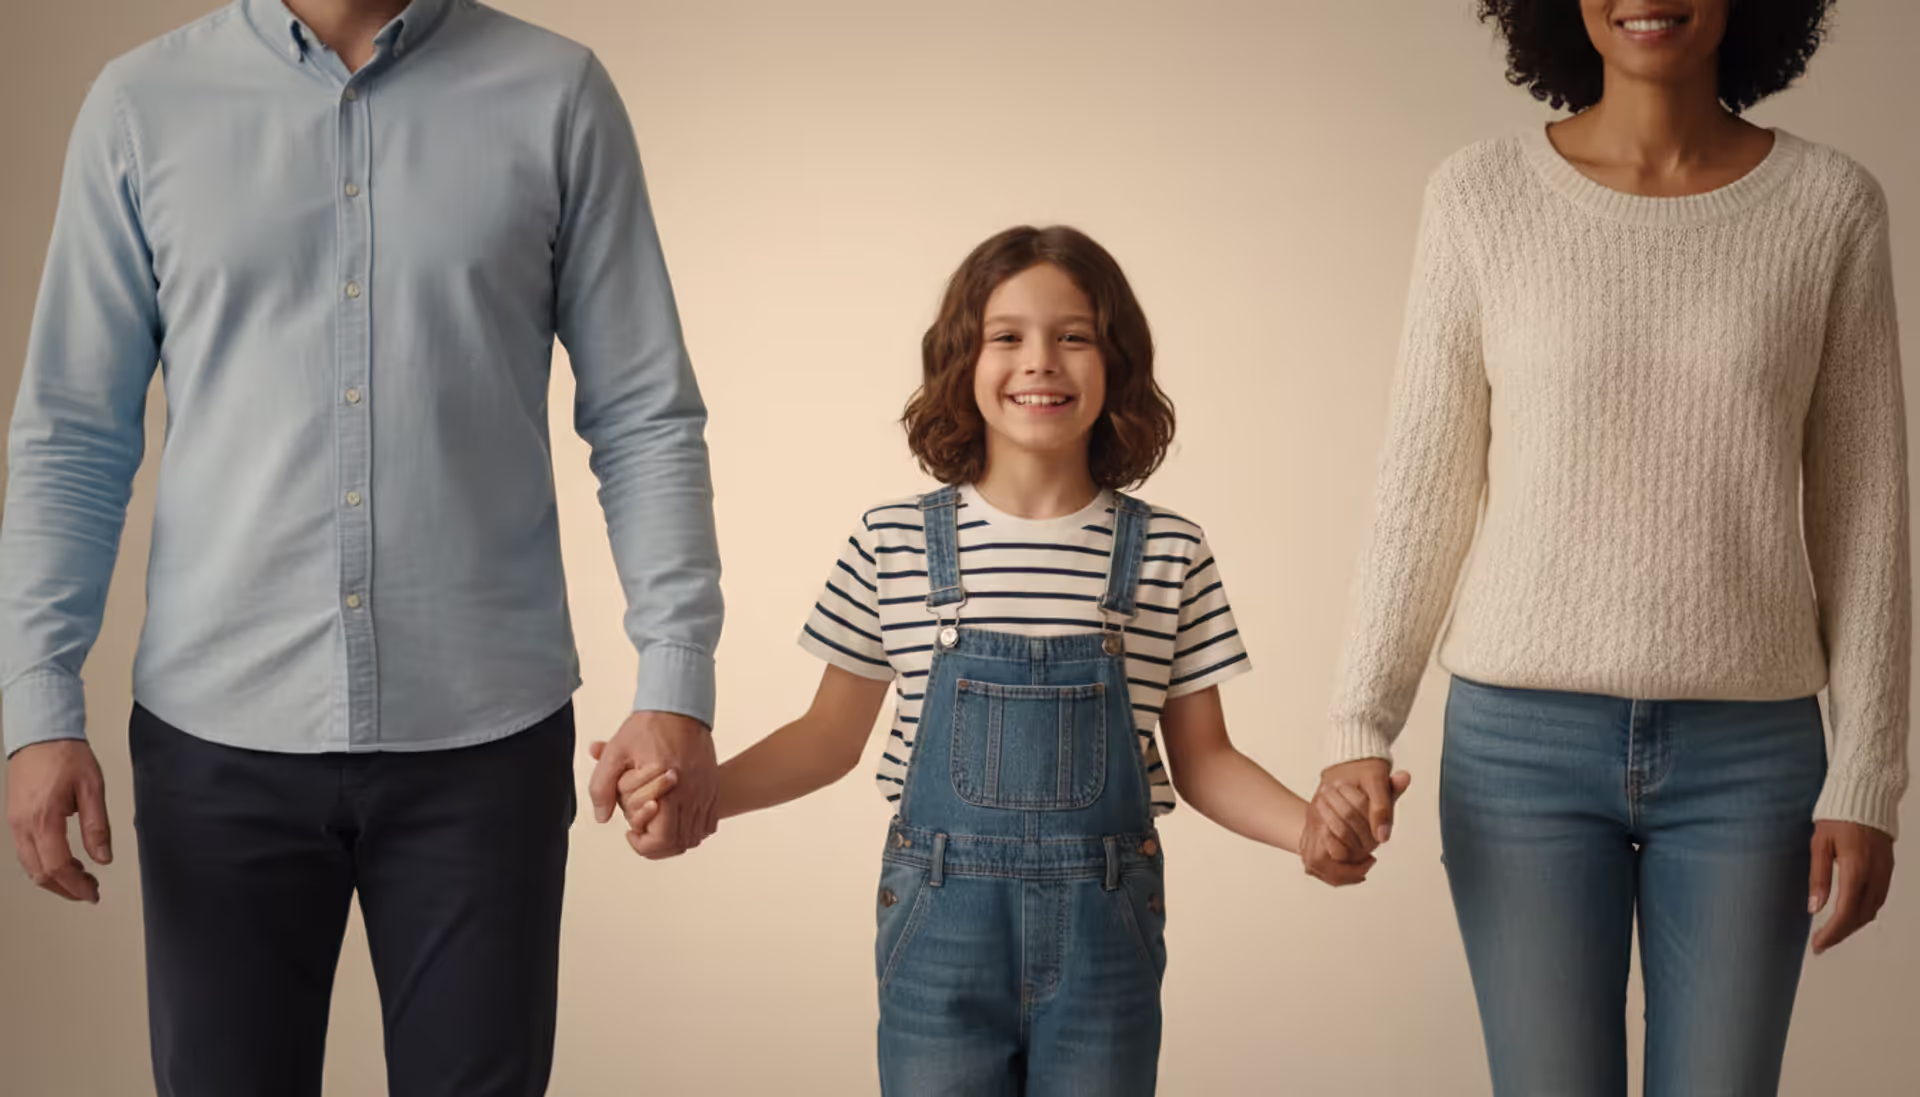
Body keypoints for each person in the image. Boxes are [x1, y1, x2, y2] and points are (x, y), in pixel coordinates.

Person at [0, 1, 723, 1093]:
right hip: (217, 740)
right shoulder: (140, 108)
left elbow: (643, 412)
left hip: (486, 742)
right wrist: (37, 702)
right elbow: (72, 432)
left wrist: (677, 677)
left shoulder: (557, 94)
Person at [612, 225, 1404, 1096]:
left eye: (1075, 336)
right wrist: (703, 795)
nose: (1042, 362)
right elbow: (827, 736)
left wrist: (1310, 832)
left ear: (1118, 365)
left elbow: (1205, 760)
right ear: (963, 361)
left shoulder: (1170, 550)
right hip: (939, 926)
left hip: (1108, 932)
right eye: (1008, 336)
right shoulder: (894, 543)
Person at [1304, 2, 1907, 1094]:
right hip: (1517, 756)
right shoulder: (1478, 197)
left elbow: (1864, 515)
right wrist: (1360, 722)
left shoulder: (1829, 208)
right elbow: (1422, 479)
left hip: (1752, 762)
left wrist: (1868, 772)